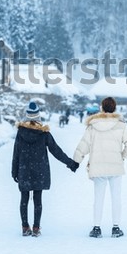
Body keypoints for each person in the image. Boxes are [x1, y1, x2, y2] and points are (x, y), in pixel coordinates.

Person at [12, 101, 79, 237]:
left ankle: (25, 227)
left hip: (24, 170)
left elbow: (16, 153)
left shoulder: (21, 132)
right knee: (38, 199)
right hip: (39, 171)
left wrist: (14, 171)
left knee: (24, 199)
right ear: (38, 117)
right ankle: (36, 228)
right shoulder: (44, 134)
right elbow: (56, 151)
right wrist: (70, 163)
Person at [74, 97, 127, 238]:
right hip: (116, 168)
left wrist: (76, 160)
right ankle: (116, 228)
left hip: (98, 168)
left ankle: (96, 228)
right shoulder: (121, 125)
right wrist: (123, 156)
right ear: (114, 108)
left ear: (102, 108)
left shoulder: (93, 125)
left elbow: (83, 145)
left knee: (98, 198)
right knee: (116, 198)